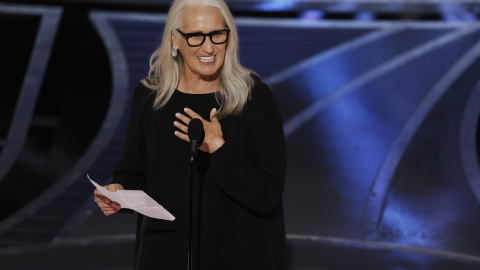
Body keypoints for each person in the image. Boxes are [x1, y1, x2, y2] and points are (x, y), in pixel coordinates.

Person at [93, 0, 286, 269]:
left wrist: (218, 148)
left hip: (237, 253)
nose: (208, 47)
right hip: (166, 252)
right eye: (196, 36)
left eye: (217, 35)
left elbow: (267, 194)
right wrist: (119, 193)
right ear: (175, 39)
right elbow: (132, 171)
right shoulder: (151, 97)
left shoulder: (253, 97)